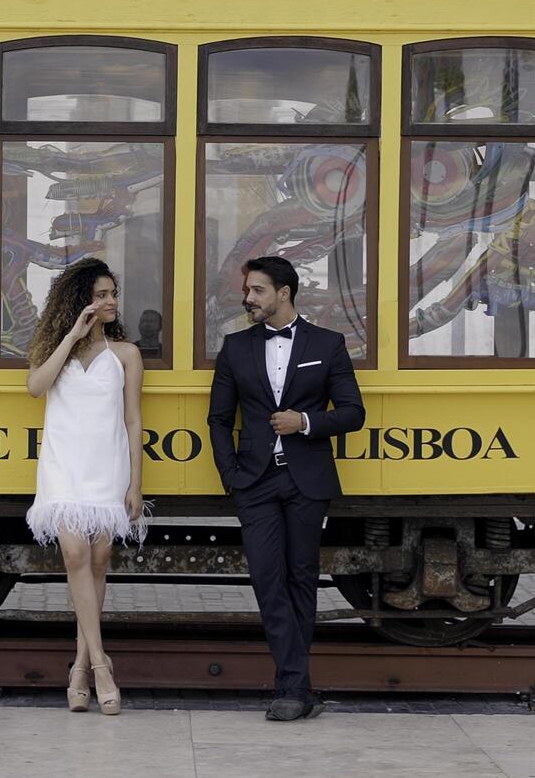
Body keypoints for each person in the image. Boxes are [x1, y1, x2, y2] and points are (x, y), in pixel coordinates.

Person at [207, 256, 365, 721]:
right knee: (266, 578)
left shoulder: (328, 343)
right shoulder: (234, 347)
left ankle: (293, 687)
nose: (248, 298)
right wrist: (232, 476)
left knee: (301, 577)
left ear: (284, 293)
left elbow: (354, 413)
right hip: (254, 481)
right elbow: (218, 420)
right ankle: (296, 685)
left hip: (306, 480)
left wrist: (306, 422)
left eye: (256, 290)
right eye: (248, 291)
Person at [25, 257, 148, 715]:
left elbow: (133, 420)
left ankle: (78, 665)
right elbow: (36, 388)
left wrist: (136, 482)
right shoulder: (55, 347)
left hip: (107, 466)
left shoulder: (126, 354)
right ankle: (101, 665)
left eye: (113, 293)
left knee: (98, 560)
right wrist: (72, 336)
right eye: (100, 295)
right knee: (75, 554)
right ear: (80, 301)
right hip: (63, 466)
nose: (110, 301)